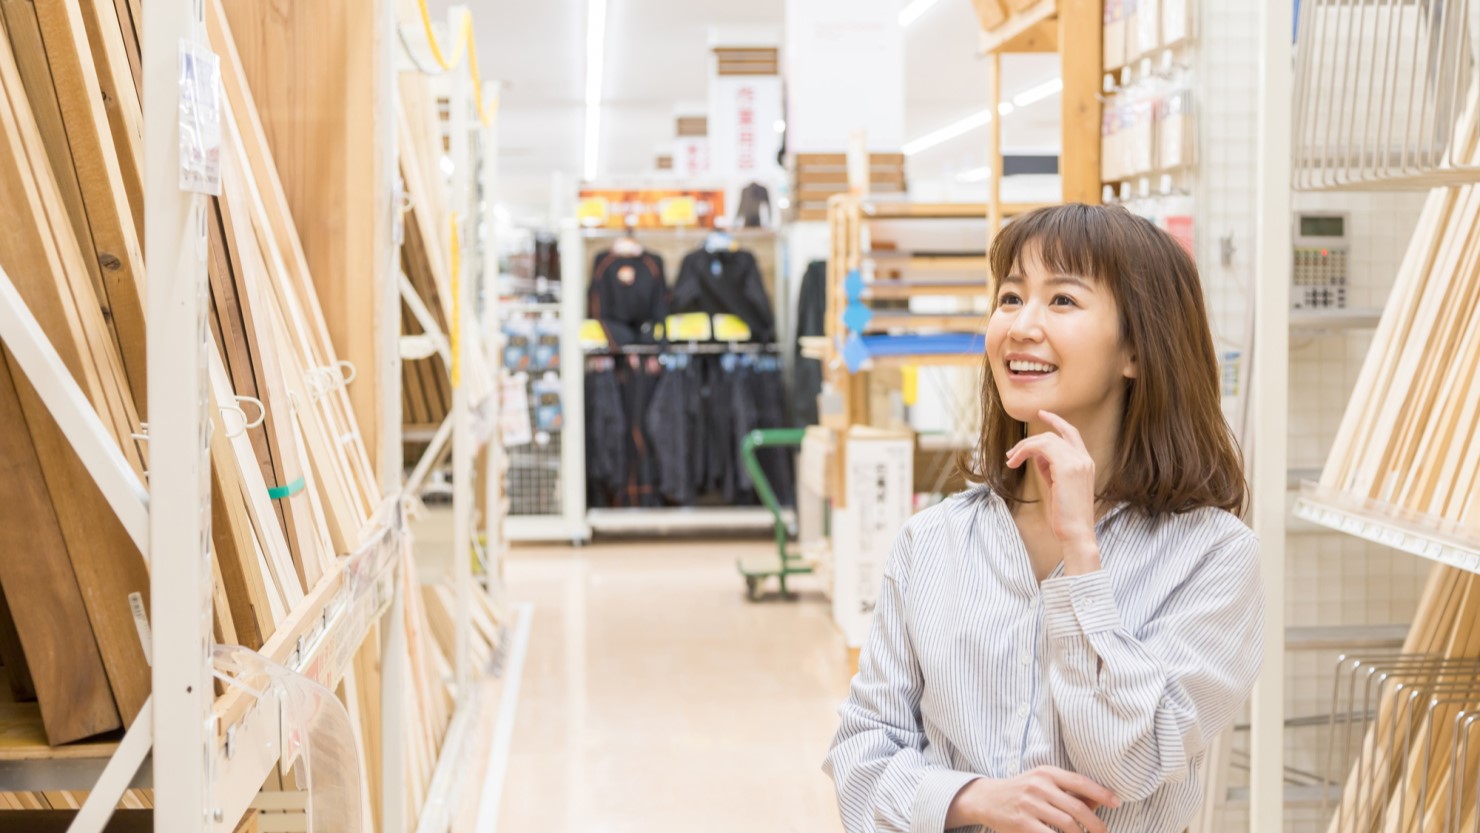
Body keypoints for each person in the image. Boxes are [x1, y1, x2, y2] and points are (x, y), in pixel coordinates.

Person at [823, 204, 1264, 833]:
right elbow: (861, 756)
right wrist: (970, 798)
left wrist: (1081, 555)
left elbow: (1130, 761)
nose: (1021, 326)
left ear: (1136, 349)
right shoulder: (933, 540)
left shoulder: (1214, 555)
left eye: (1062, 300)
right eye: (1010, 297)